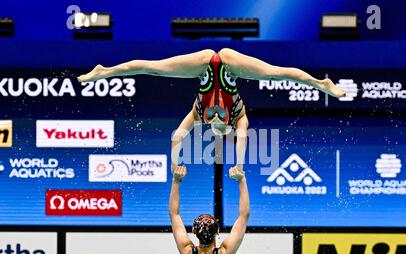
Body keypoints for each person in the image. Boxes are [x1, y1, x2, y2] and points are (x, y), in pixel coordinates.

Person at [77, 48, 346, 172]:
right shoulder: (239, 117)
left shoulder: (198, 114)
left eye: (213, 130)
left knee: (154, 68)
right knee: (275, 74)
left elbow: (176, 136)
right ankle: (321, 84)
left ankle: (105, 72)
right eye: (221, 131)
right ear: (226, 128)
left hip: (204, 64)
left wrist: (175, 163)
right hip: (230, 64)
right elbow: (242, 139)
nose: (216, 128)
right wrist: (239, 165)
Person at [168, 165, 249, 254]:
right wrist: (242, 180)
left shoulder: (187, 252)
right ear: (217, 232)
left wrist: (176, 181)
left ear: (194, 231)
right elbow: (244, 215)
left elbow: (174, 214)